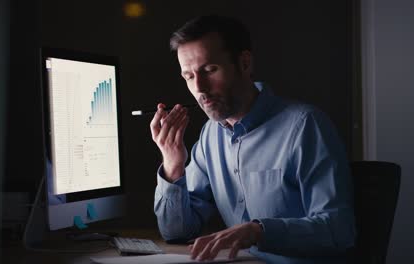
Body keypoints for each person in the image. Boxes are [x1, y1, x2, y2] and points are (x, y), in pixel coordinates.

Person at [150, 15, 355, 263]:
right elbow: (178, 232)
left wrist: (259, 231)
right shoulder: (210, 135)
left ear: (244, 63)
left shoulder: (305, 126)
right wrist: (173, 165)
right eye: (189, 77)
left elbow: (339, 231)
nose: (200, 89)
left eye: (209, 70)